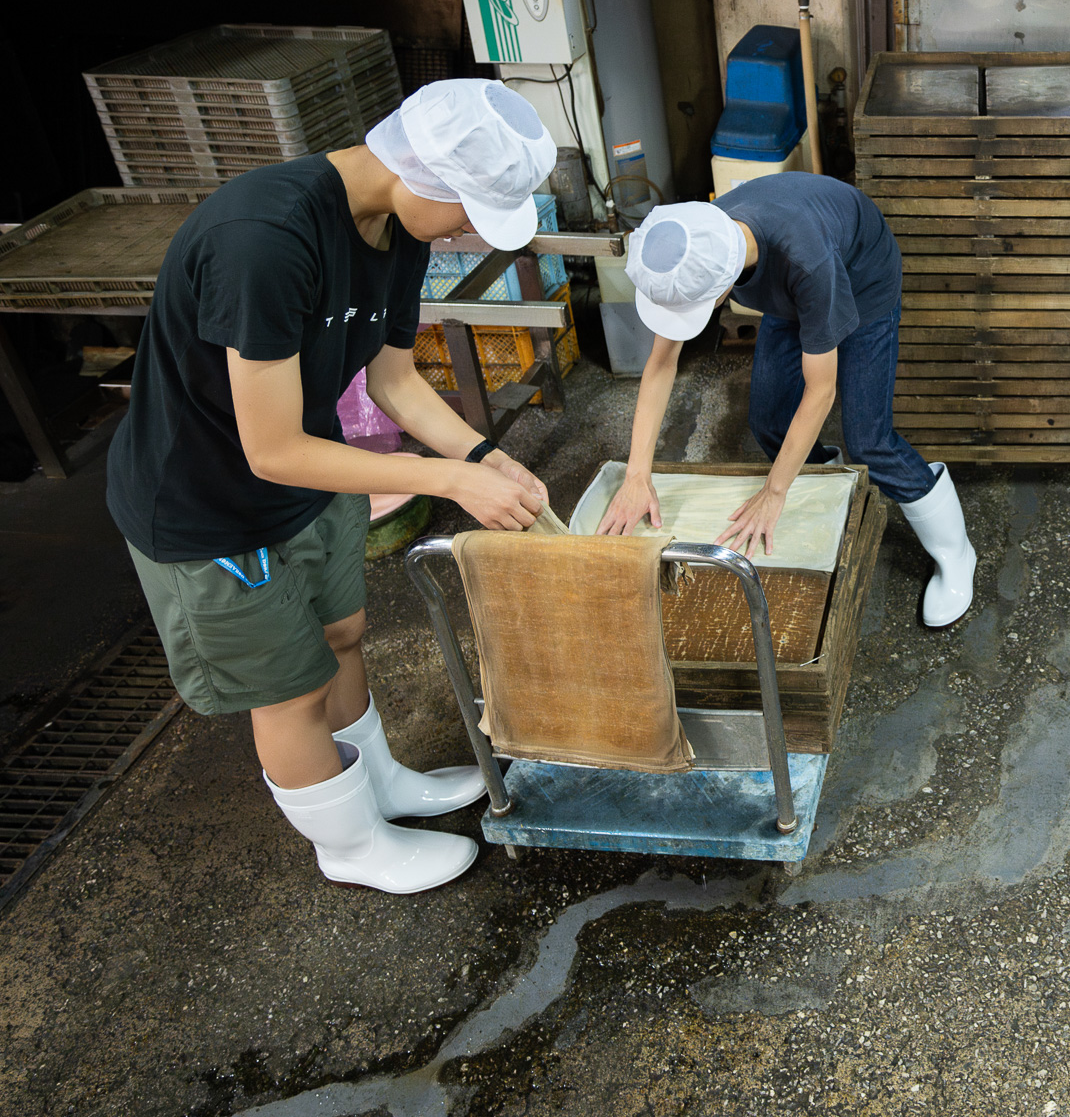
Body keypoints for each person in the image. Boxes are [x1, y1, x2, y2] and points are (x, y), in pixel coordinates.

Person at [107, 80, 559, 894]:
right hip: (210, 504)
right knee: (290, 687)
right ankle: (349, 845)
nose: (466, 230)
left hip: (315, 475)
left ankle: (379, 783)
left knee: (344, 631)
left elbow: (393, 380)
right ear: (421, 173)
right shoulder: (265, 240)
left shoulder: (397, 226)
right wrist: (447, 478)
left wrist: (482, 455)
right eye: (467, 210)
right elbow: (271, 448)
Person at [595, 172, 977, 629]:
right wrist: (637, 475)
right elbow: (661, 364)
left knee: (869, 440)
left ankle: (956, 554)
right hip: (797, 278)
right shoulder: (697, 241)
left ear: (724, 286)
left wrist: (774, 493)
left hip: (861, 278)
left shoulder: (806, 261)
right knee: (769, 419)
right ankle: (830, 488)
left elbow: (822, 391)